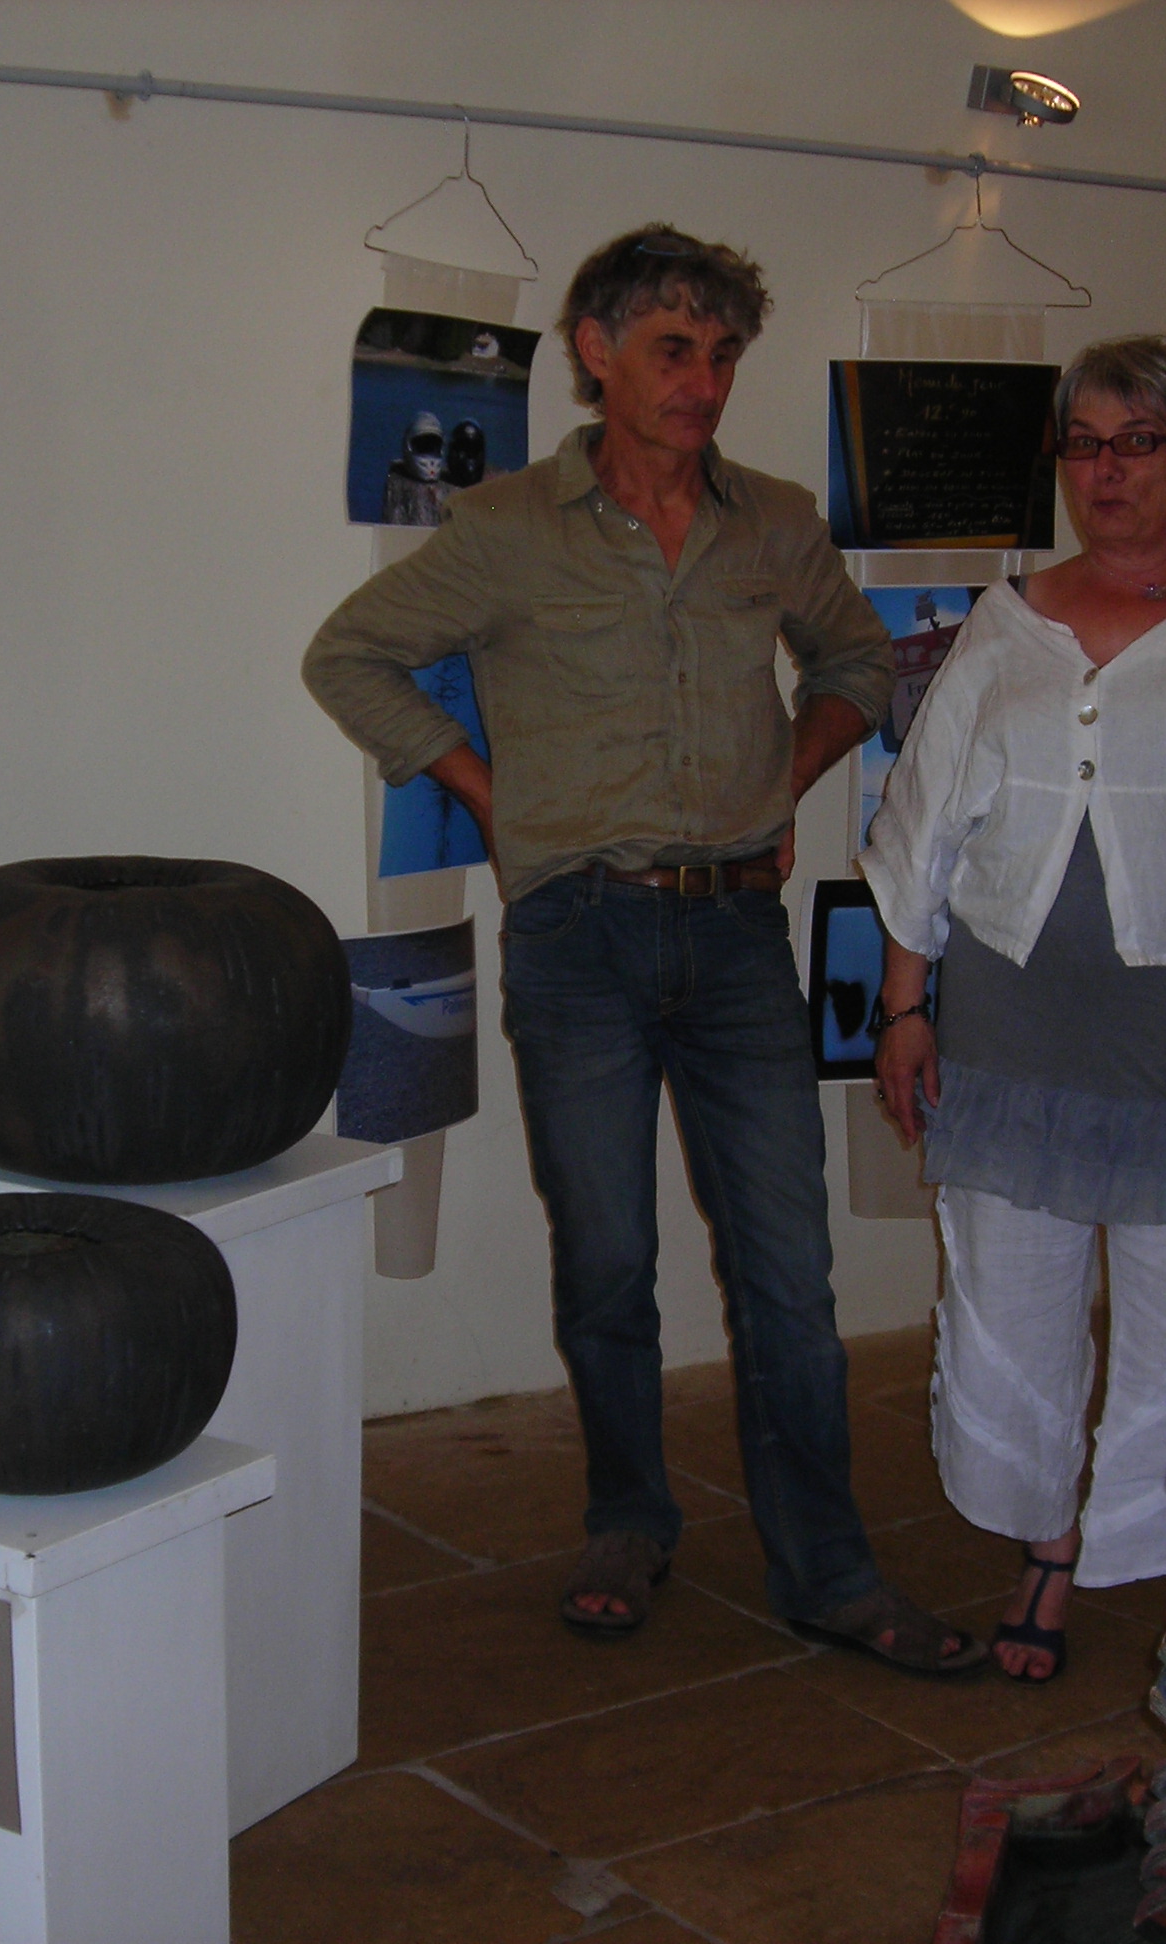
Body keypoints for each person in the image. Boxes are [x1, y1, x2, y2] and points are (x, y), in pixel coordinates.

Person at [305, 224, 986, 1678]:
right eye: (675, 349)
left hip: (737, 937)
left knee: (789, 1269)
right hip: (578, 940)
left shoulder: (775, 521)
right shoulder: (507, 527)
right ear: (597, 352)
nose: (704, 381)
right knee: (609, 1259)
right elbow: (347, 655)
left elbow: (861, 661)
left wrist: (785, 774)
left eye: (723, 354)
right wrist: (487, 791)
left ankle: (830, 1571)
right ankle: (629, 1518)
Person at [856, 335, 1166, 1686]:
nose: (1106, 471)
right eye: (1084, 444)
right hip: (1011, 1007)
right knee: (1011, 1290)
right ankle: (1048, 1543)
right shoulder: (1007, 620)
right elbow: (924, 821)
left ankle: (1159, 1539)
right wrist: (904, 1007)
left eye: (1138, 443)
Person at [380, 410, 448, 526]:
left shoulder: (448, 488)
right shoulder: (398, 484)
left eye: (433, 447)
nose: (430, 459)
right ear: (409, 447)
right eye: (423, 446)